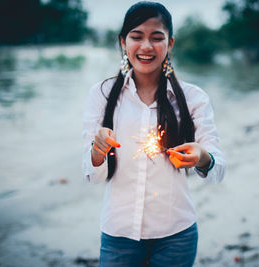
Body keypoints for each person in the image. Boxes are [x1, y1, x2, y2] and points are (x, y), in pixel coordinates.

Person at [82, 2, 226, 266]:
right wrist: (96, 151)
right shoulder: (102, 94)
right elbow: (92, 176)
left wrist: (203, 157)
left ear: (170, 44)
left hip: (177, 236)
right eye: (136, 37)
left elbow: (217, 170)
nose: (146, 46)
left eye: (156, 38)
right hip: (118, 235)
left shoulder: (194, 99)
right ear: (123, 42)